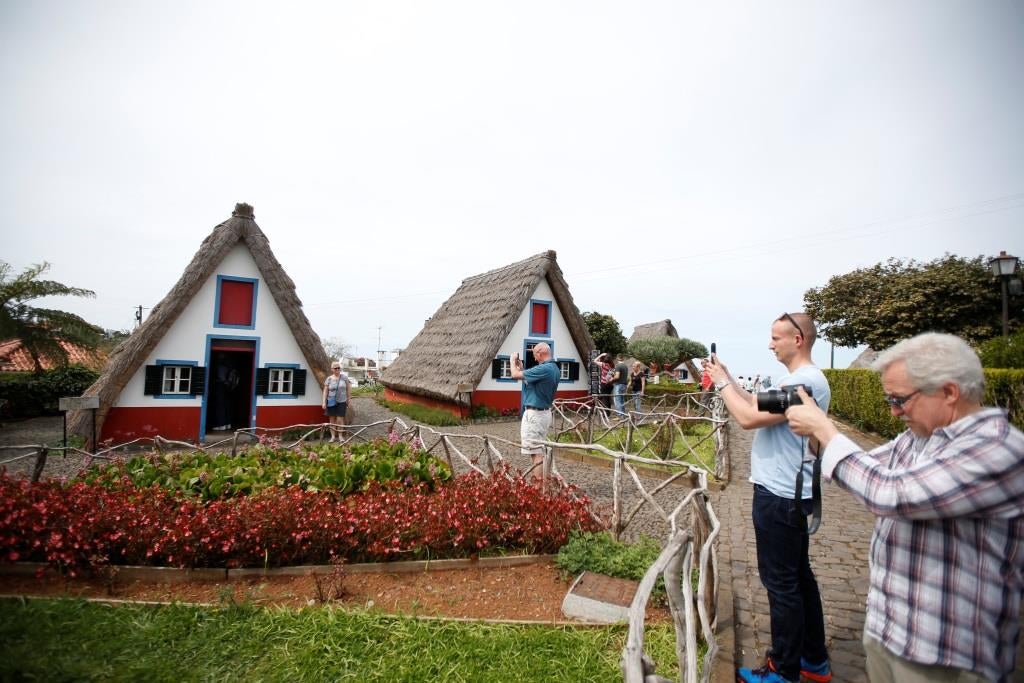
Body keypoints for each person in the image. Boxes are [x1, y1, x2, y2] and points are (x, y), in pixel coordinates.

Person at [783, 332, 1024, 683]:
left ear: (949, 392)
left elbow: (888, 493)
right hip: (891, 633)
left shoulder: (996, 449)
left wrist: (825, 429)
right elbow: (865, 469)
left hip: (945, 655)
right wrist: (817, 437)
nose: (894, 411)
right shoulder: (920, 438)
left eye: (900, 399)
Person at [705, 311, 832, 683]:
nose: (770, 344)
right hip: (787, 492)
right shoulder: (798, 381)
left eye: (776, 338)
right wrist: (729, 379)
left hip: (781, 495)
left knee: (782, 585)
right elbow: (754, 403)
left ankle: (783, 669)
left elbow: (746, 418)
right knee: (799, 578)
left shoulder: (804, 384)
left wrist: (720, 384)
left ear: (798, 339)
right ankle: (813, 660)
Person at [510, 342, 561, 484]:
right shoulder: (553, 368)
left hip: (535, 415)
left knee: (536, 453)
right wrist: (522, 369)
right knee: (539, 451)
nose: (534, 358)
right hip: (543, 413)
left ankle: (538, 488)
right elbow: (532, 383)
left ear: (540, 353)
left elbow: (514, 375)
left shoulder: (544, 368)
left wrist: (512, 361)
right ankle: (543, 485)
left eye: (534, 355)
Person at [322, 362, 351, 442]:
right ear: (332, 369)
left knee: (340, 419)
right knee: (332, 420)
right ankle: (333, 436)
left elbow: (348, 389)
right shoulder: (329, 379)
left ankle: (340, 436)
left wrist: (349, 399)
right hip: (331, 401)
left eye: (339, 368)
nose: (337, 369)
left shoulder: (344, 378)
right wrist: (324, 402)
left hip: (342, 401)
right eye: (335, 368)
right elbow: (325, 391)